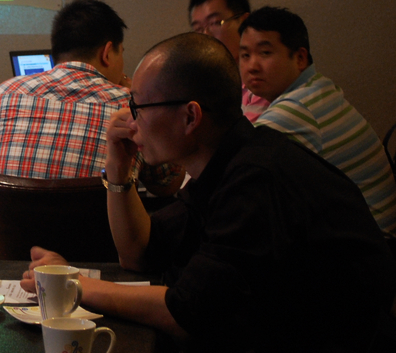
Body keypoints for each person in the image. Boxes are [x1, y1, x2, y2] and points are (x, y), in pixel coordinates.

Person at [21, 33, 396, 352]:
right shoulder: (226, 164)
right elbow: (140, 253)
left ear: (190, 117)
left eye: (138, 105)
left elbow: (187, 313)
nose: (128, 120)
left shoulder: (258, 179)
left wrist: (73, 285)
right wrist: (118, 171)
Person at [0, 0, 182, 196]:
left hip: (7, 221)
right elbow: (166, 184)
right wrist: (138, 97)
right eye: (121, 53)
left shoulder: (2, 95)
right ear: (107, 53)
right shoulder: (129, 106)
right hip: (100, 222)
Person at [239, 6, 396, 237]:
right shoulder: (316, 86)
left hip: (372, 244)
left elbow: (236, 174)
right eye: (245, 55)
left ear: (300, 58)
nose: (252, 66)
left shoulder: (295, 109)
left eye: (265, 53)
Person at [188, 0, 269, 121]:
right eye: (198, 29)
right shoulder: (207, 85)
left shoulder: (260, 77)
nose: (206, 35)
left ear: (244, 22)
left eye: (215, 23)